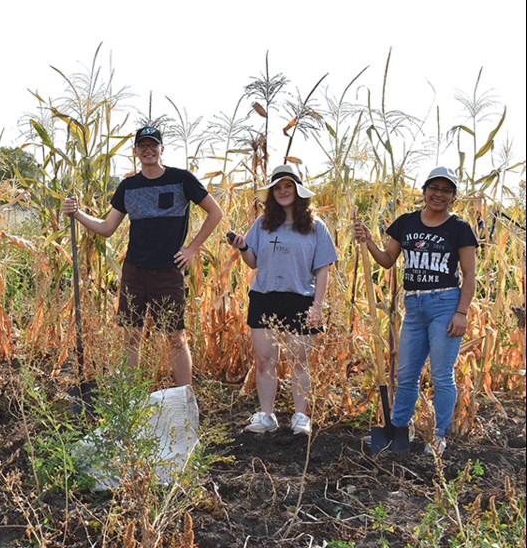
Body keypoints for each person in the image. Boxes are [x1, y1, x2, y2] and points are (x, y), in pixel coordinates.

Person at [62, 126, 224, 386]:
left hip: (168, 272)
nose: (148, 150)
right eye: (143, 146)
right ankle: (131, 401)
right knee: (131, 337)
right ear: (135, 152)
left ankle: (185, 399)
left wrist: (191, 248)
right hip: (135, 271)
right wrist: (77, 214)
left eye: (153, 145)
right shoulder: (128, 186)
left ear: (162, 149)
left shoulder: (182, 180)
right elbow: (107, 228)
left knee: (176, 339)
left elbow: (215, 213)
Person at [354, 166, 476, 454]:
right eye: (434, 188)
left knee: (441, 375)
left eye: (446, 190)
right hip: (414, 304)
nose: (439, 194)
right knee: (407, 375)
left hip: (445, 303)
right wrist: (368, 239)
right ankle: (397, 433)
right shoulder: (406, 222)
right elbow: (387, 260)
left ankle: (439, 436)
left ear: (453, 196)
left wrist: (462, 312)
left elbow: (469, 275)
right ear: (424, 191)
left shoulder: (459, 228)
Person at [228, 164, 338, 436]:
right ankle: (267, 415)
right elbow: (252, 262)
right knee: (265, 360)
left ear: (298, 191)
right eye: (277, 188)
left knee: (299, 360)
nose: (282, 191)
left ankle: (301, 416)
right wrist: (243, 247)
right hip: (265, 297)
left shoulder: (315, 227)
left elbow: (322, 270)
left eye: (288, 186)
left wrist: (317, 306)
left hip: (300, 299)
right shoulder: (262, 225)